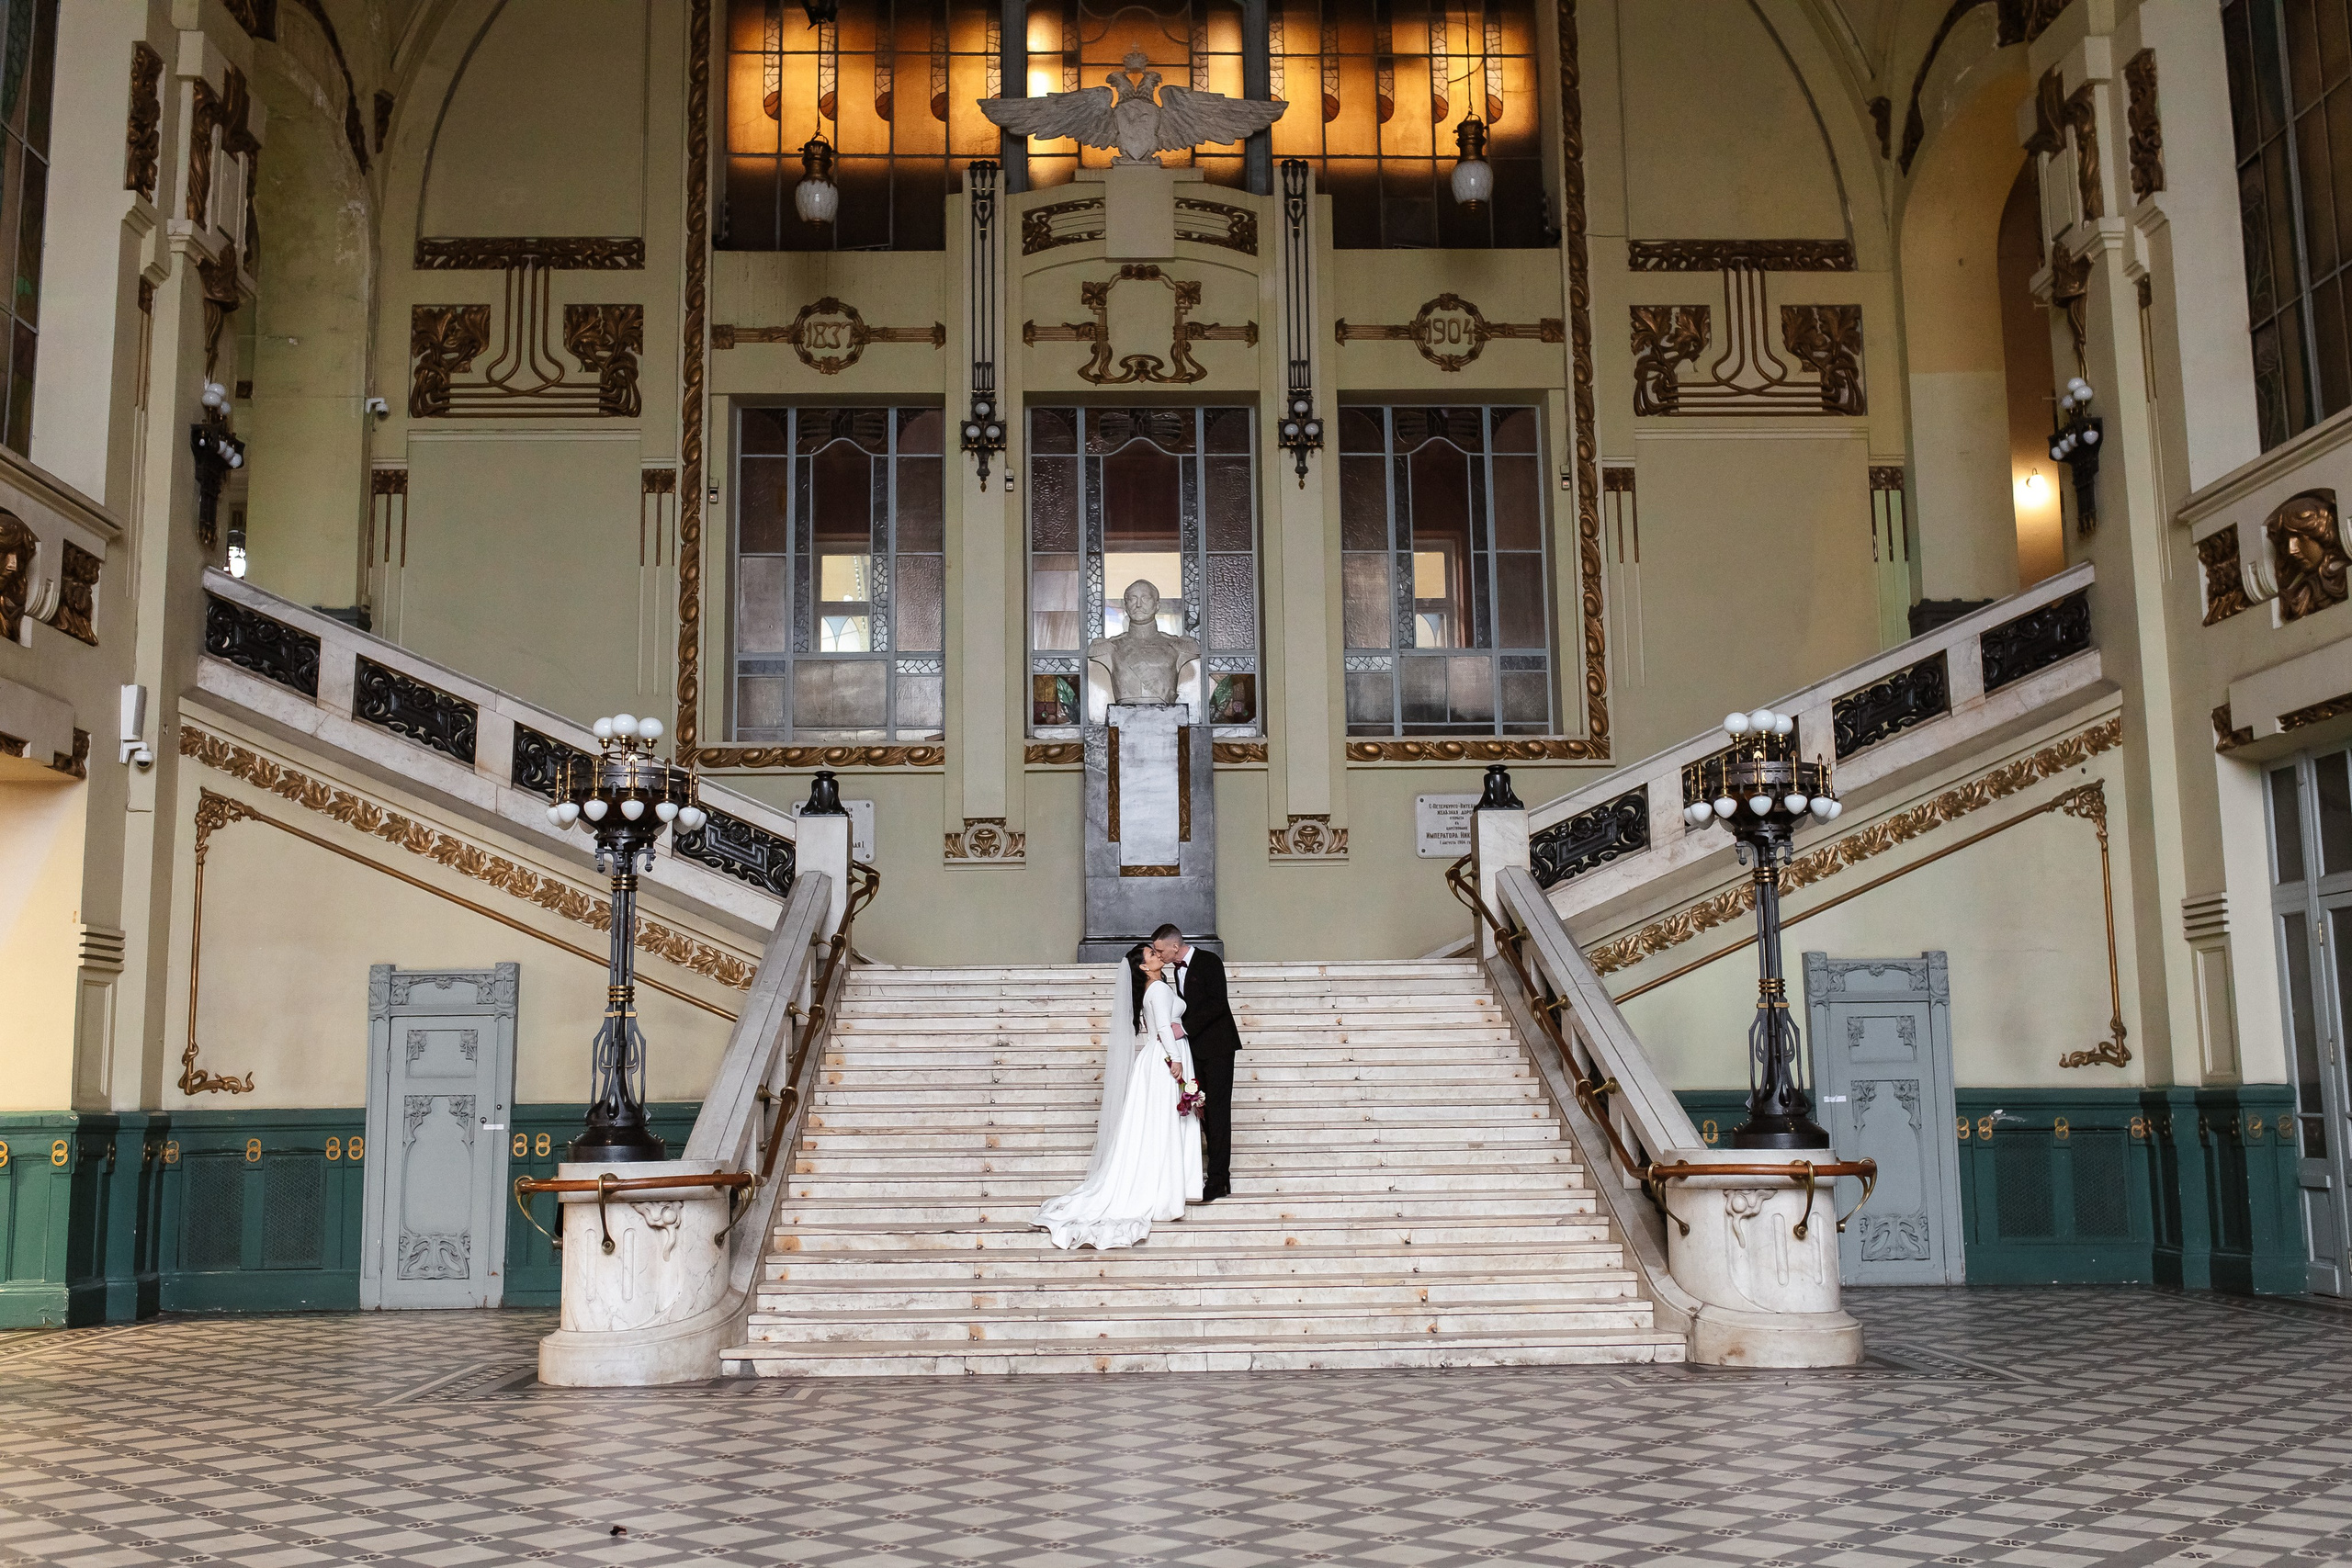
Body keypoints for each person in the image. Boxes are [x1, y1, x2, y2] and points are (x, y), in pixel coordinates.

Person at [1033, 942, 1204, 1249]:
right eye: (1152, 954)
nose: (1158, 956)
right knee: (1165, 1121)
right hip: (1166, 1058)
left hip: (1155, 1057)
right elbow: (1164, 1026)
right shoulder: (1159, 990)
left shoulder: (1156, 988)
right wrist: (1176, 1059)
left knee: (1158, 1122)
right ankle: (1168, 1188)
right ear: (1143, 966)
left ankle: (1168, 1182)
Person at [1152, 923, 1238, 1201]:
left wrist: (1183, 1028)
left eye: (1161, 950)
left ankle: (1218, 1180)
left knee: (1218, 1112)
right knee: (1201, 1111)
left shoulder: (1209, 962)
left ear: (1175, 946)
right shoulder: (1171, 973)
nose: (1158, 954)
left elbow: (1217, 1004)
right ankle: (1209, 1175)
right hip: (1194, 1052)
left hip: (1218, 1048)